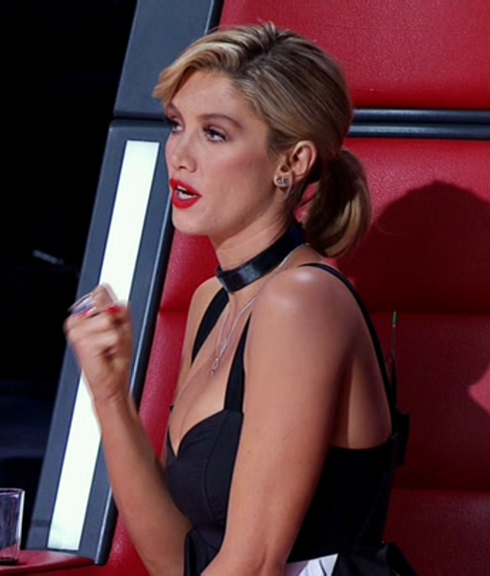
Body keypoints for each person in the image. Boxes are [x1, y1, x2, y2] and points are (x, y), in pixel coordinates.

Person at [64, 22, 405, 576]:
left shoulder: (302, 302)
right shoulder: (213, 301)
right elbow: (179, 561)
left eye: (214, 134)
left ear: (291, 163)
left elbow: (253, 564)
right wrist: (110, 396)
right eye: (177, 125)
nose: (179, 155)